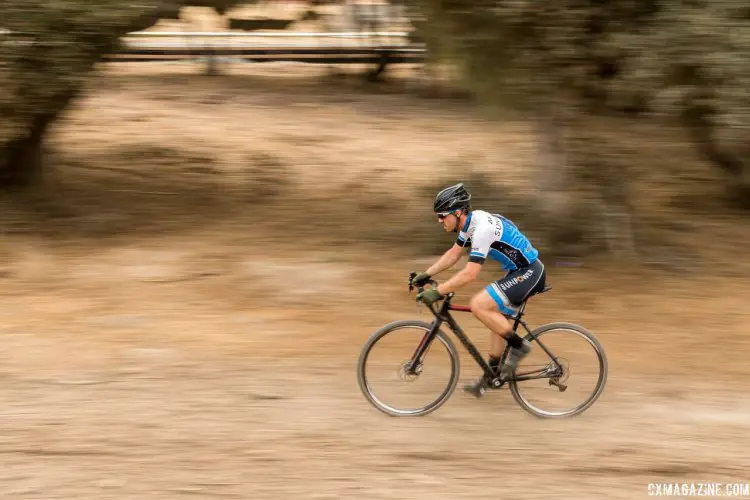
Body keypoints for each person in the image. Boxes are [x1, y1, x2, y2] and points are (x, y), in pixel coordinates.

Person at [409, 183, 547, 398]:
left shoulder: (482, 228)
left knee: (479, 305)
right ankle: (491, 377)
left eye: (442, 216)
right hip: (517, 272)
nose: (439, 220)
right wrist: (426, 275)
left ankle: (519, 346)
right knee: (496, 320)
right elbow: (454, 254)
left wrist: (439, 291)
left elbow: (470, 273)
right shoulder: (471, 223)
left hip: (529, 272)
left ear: (457, 212)